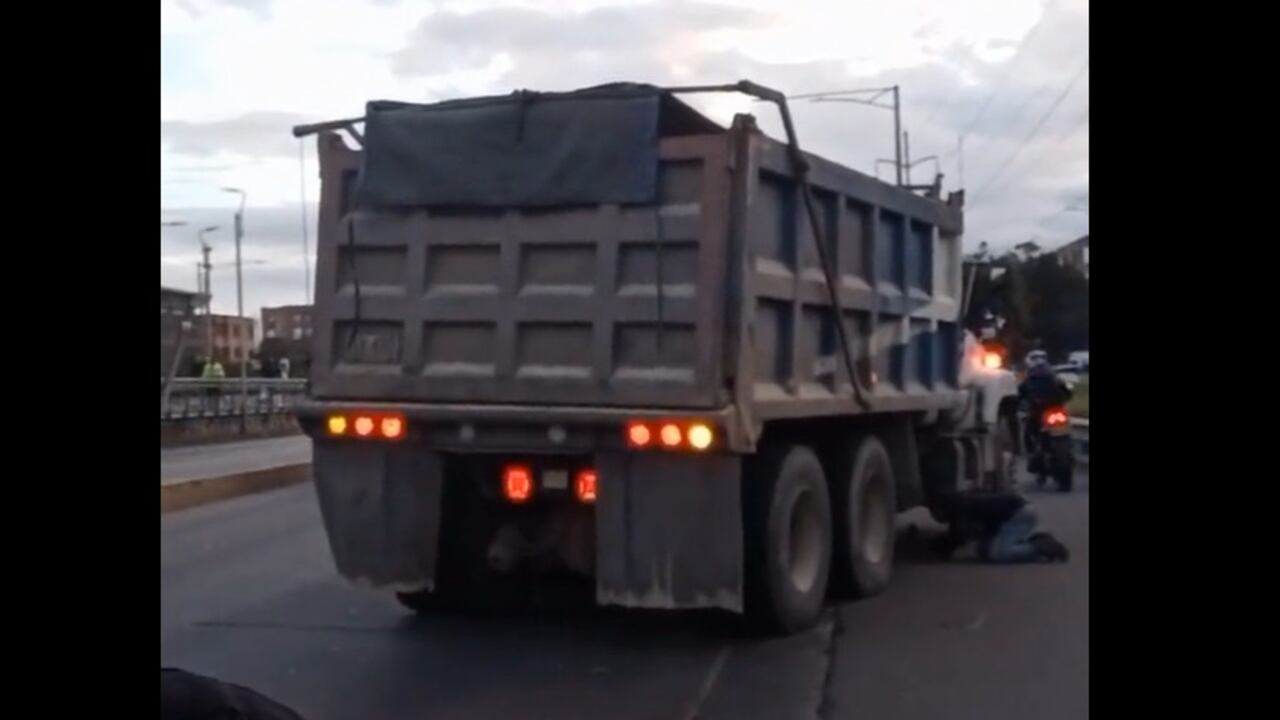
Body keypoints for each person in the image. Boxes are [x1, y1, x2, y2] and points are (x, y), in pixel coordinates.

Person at [932, 487, 1069, 563]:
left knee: (998, 554)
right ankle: (1029, 542)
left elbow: (959, 536)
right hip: (1016, 514)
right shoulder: (964, 502)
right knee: (986, 549)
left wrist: (939, 549)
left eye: (937, 514)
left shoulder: (961, 509)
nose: (938, 519)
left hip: (1020, 514)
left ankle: (1039, 546)